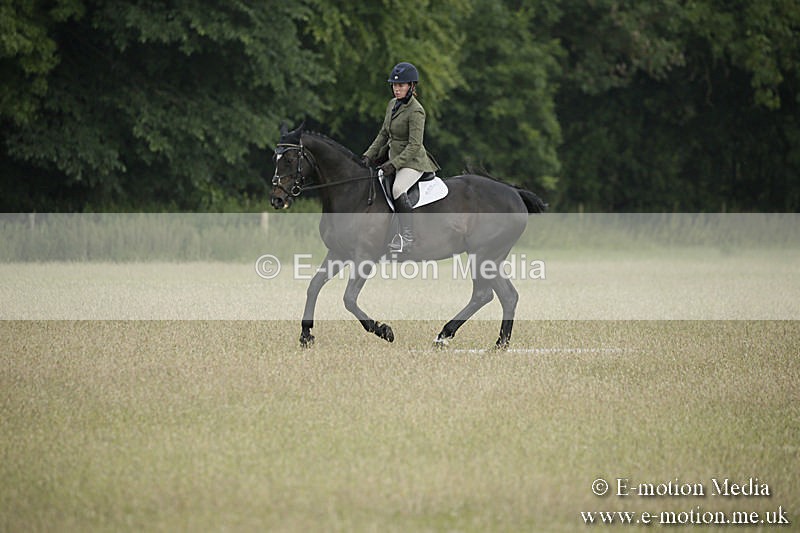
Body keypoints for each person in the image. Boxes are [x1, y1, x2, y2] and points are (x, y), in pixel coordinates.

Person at [362, 61, 439, 253]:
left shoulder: (416, 111)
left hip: (412, 162)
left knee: (397, 189)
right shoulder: (392, 105)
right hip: (392, 157)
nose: (396, 89)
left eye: (401, 85)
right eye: (395, 85)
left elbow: (414, 146)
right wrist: (367, 156)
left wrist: (393, 165)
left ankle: (407, 237)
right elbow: (383, 134)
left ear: (411, 87)